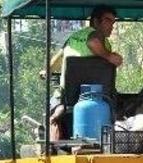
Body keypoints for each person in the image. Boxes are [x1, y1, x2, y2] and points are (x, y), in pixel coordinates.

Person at [49, 5, 123, 140]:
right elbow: (93, 41)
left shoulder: (72, 38)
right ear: (95, 21)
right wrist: (108, 56)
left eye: (113, 22)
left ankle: (53, 143)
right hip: (100, 97)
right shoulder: (98, 37)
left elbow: (57, 59)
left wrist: (46, 71)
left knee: (54, 103)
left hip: (69, 96)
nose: (112, 26)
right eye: (108, 21)